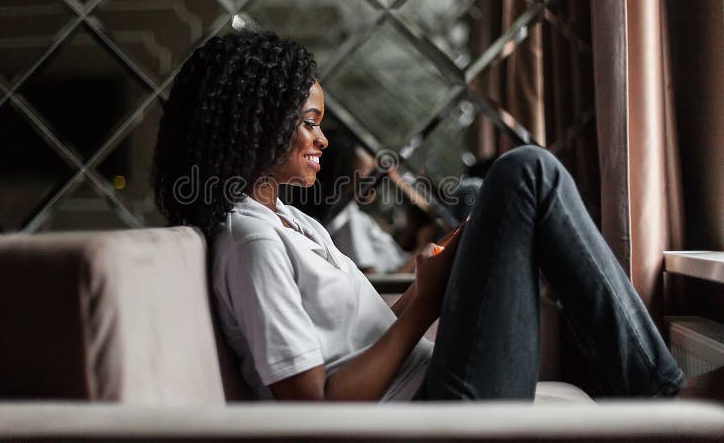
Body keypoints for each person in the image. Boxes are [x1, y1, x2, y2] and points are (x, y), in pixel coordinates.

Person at [152, 30, 685, 401]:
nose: (323, 139)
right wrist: (424, 304)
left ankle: (648, 383)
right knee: (526, 172)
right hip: (436, 412)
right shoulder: (252, 242)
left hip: (437, 385)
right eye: (310, 122)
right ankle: (657, 392)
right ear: (257, 126)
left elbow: (358, 337)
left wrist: (427, 284)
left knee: (482, 198)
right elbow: (310, 408)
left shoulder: (290, 221)